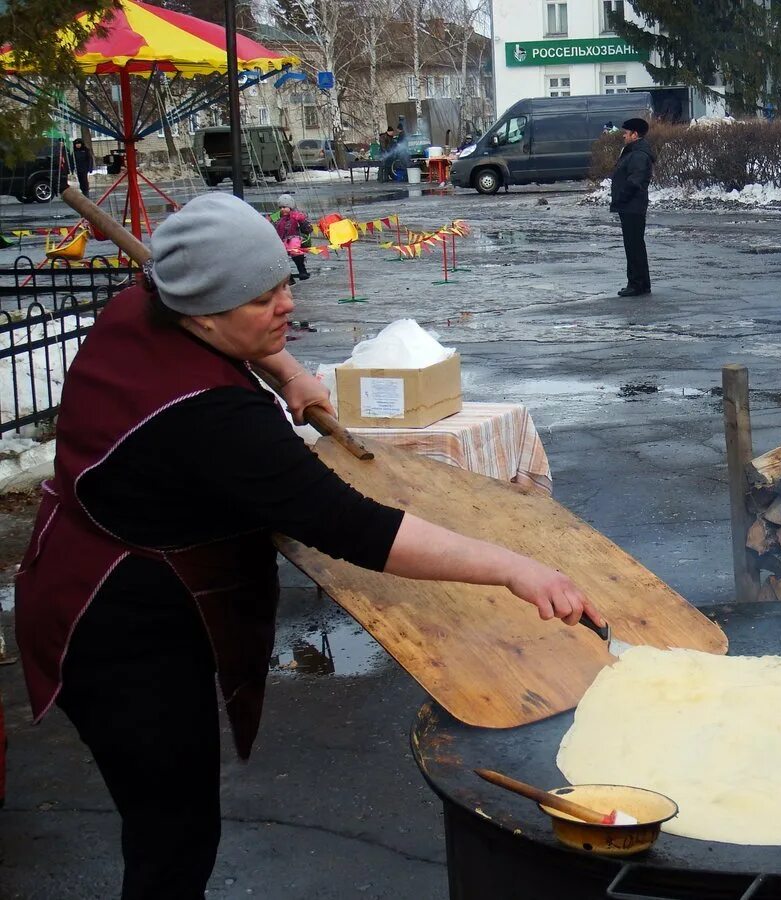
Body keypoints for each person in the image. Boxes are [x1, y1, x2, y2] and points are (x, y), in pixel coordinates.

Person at [13, 192, 600, 899]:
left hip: (85, 563)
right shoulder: (216, 421)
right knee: (172, 839)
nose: (286, 305)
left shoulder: (148, 301)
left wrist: (281, 366)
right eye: (262, 300)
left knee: (169, 826)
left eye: (284, 282)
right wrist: (513, 566)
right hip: (116, 628)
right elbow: (356, 527)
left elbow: (224, 337)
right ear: (201, 312)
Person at [610, 117, 655, 298]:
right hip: (631, 205)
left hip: (632, 205)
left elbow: (635, 180)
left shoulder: (638, 154)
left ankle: (636, 284)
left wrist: (622, 197)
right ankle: (641, 283)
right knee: (636, 244)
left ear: (635, 134)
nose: (623, 136)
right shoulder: (635, 151)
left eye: (626, 133)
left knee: (633, 245)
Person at [270, 192, 312, 282]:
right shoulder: (276, 216)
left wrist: (302, 221)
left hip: (295, 239)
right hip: (281, 240)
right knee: (280, 257)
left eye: (285, 207)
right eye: (280, 207)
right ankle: (288, 276)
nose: (282, 209)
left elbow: (308, 228)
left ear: (290, 207)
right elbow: (268, 223)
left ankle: (302, 270)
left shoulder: (296, 216)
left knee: (295, 252)